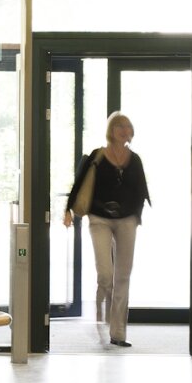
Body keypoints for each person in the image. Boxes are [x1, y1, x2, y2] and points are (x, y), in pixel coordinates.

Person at [62, 110, 150, 347]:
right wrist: (68, 209)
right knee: (105, 273)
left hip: (127, 220)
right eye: (120, 126)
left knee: (123, 275)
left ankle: (118, 333)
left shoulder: (135, 159)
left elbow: (141, 191)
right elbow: (79, 182)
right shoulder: (97, 156)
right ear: (111, 130)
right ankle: (102, 295)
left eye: (127, 126)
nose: (124, 130)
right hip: (99, 219)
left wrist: (135, 214)